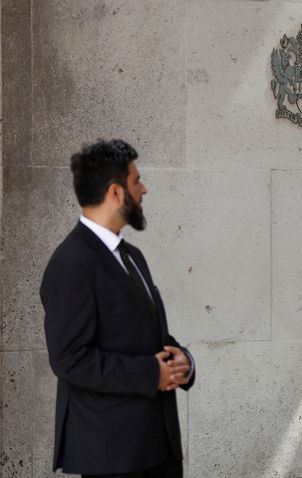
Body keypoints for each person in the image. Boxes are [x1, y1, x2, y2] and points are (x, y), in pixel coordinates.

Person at [40, 139, 196, 478]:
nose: (144, 189)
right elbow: (69, 358)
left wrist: (183, 360)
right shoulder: (70, 263)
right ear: (115, 192)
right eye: (136, 180)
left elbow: (147, 334)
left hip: (158, 446)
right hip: (112, 456)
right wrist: (149, 374)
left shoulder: (132, 256)